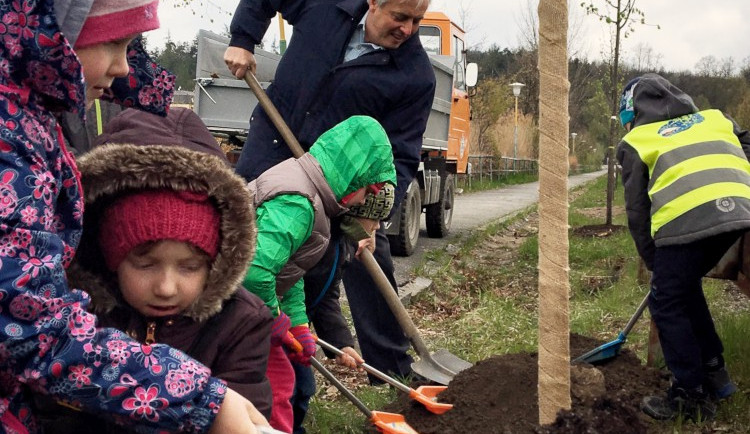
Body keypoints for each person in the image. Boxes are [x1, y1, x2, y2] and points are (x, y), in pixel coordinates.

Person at [0, 1, 265, 432]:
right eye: (113, 43)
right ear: (55, 31)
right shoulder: (10, 142)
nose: (124, 67)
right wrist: (203, 402)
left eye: (132, 47)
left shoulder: (31, 120)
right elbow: (33, 329)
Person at [224, 0, 436, 383]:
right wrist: (243, 39)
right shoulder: (327, 6)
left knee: (347, 258)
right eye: (400, 17)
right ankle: (228, 346)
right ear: (373, 3)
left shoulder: (414, 75)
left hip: (333, 184)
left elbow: (401, 153)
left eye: (417, 21)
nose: (407, 29)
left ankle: (391, 372)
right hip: (273, 146)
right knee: (243, 243)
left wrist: (375, 213)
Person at [243, 115, 397, 433]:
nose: (363, 203)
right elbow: (255, 273)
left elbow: (290, 270)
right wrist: (277, 322)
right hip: (230, 311)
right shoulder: (299, 203)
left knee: (291, 388)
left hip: (250, 310)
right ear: (353, 179)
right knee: (276, 390)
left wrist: (298, 323)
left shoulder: (317, 207)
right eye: (367, 193)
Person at [616, 73, 750, 422]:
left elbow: (637, 211)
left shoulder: (637, 141)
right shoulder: (715, 118)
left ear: (631, 115)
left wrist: (654, 264)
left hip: (687, 221)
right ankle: (715, 373)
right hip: (738, 212)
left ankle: (689, 396)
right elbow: (747, 145)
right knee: (684, 289)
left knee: (667, 300)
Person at [289, 189, 394, 434]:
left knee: (303, 388)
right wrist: (293, 324)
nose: (378, 225)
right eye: (375, 217)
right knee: (287, 389)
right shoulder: (319, 239)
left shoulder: (342, 244)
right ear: (356, 213)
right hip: (279, 322)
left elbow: (326, 295)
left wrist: (341, 343)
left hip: (298, 330)